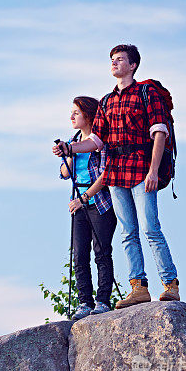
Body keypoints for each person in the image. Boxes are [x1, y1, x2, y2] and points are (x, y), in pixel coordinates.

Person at [53, 44, 180, 309]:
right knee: (128, 232)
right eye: (112, 59)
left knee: (150, 228)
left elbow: (160, 132)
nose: (114, 63)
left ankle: (170, 285)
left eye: (120, 59)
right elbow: (96, 140)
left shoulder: (147, 93)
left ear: (132, 65)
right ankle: (139, 288)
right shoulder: (107, 101)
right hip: (115, 172)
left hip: (141, 168)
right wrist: (69, 148)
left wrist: (154, 170)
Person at [59, 96, 117, 320]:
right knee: (79, 254)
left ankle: (102, 301)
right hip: (79, 205)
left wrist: (84, 198)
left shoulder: (101, 142)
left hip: (99, 203)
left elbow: (105, 176)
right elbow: (65, 174)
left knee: (102, 252)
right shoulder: (73, 142)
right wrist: (68, 154)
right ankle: (85, 302)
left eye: (76, 112)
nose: (71, 116)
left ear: (88, 115)